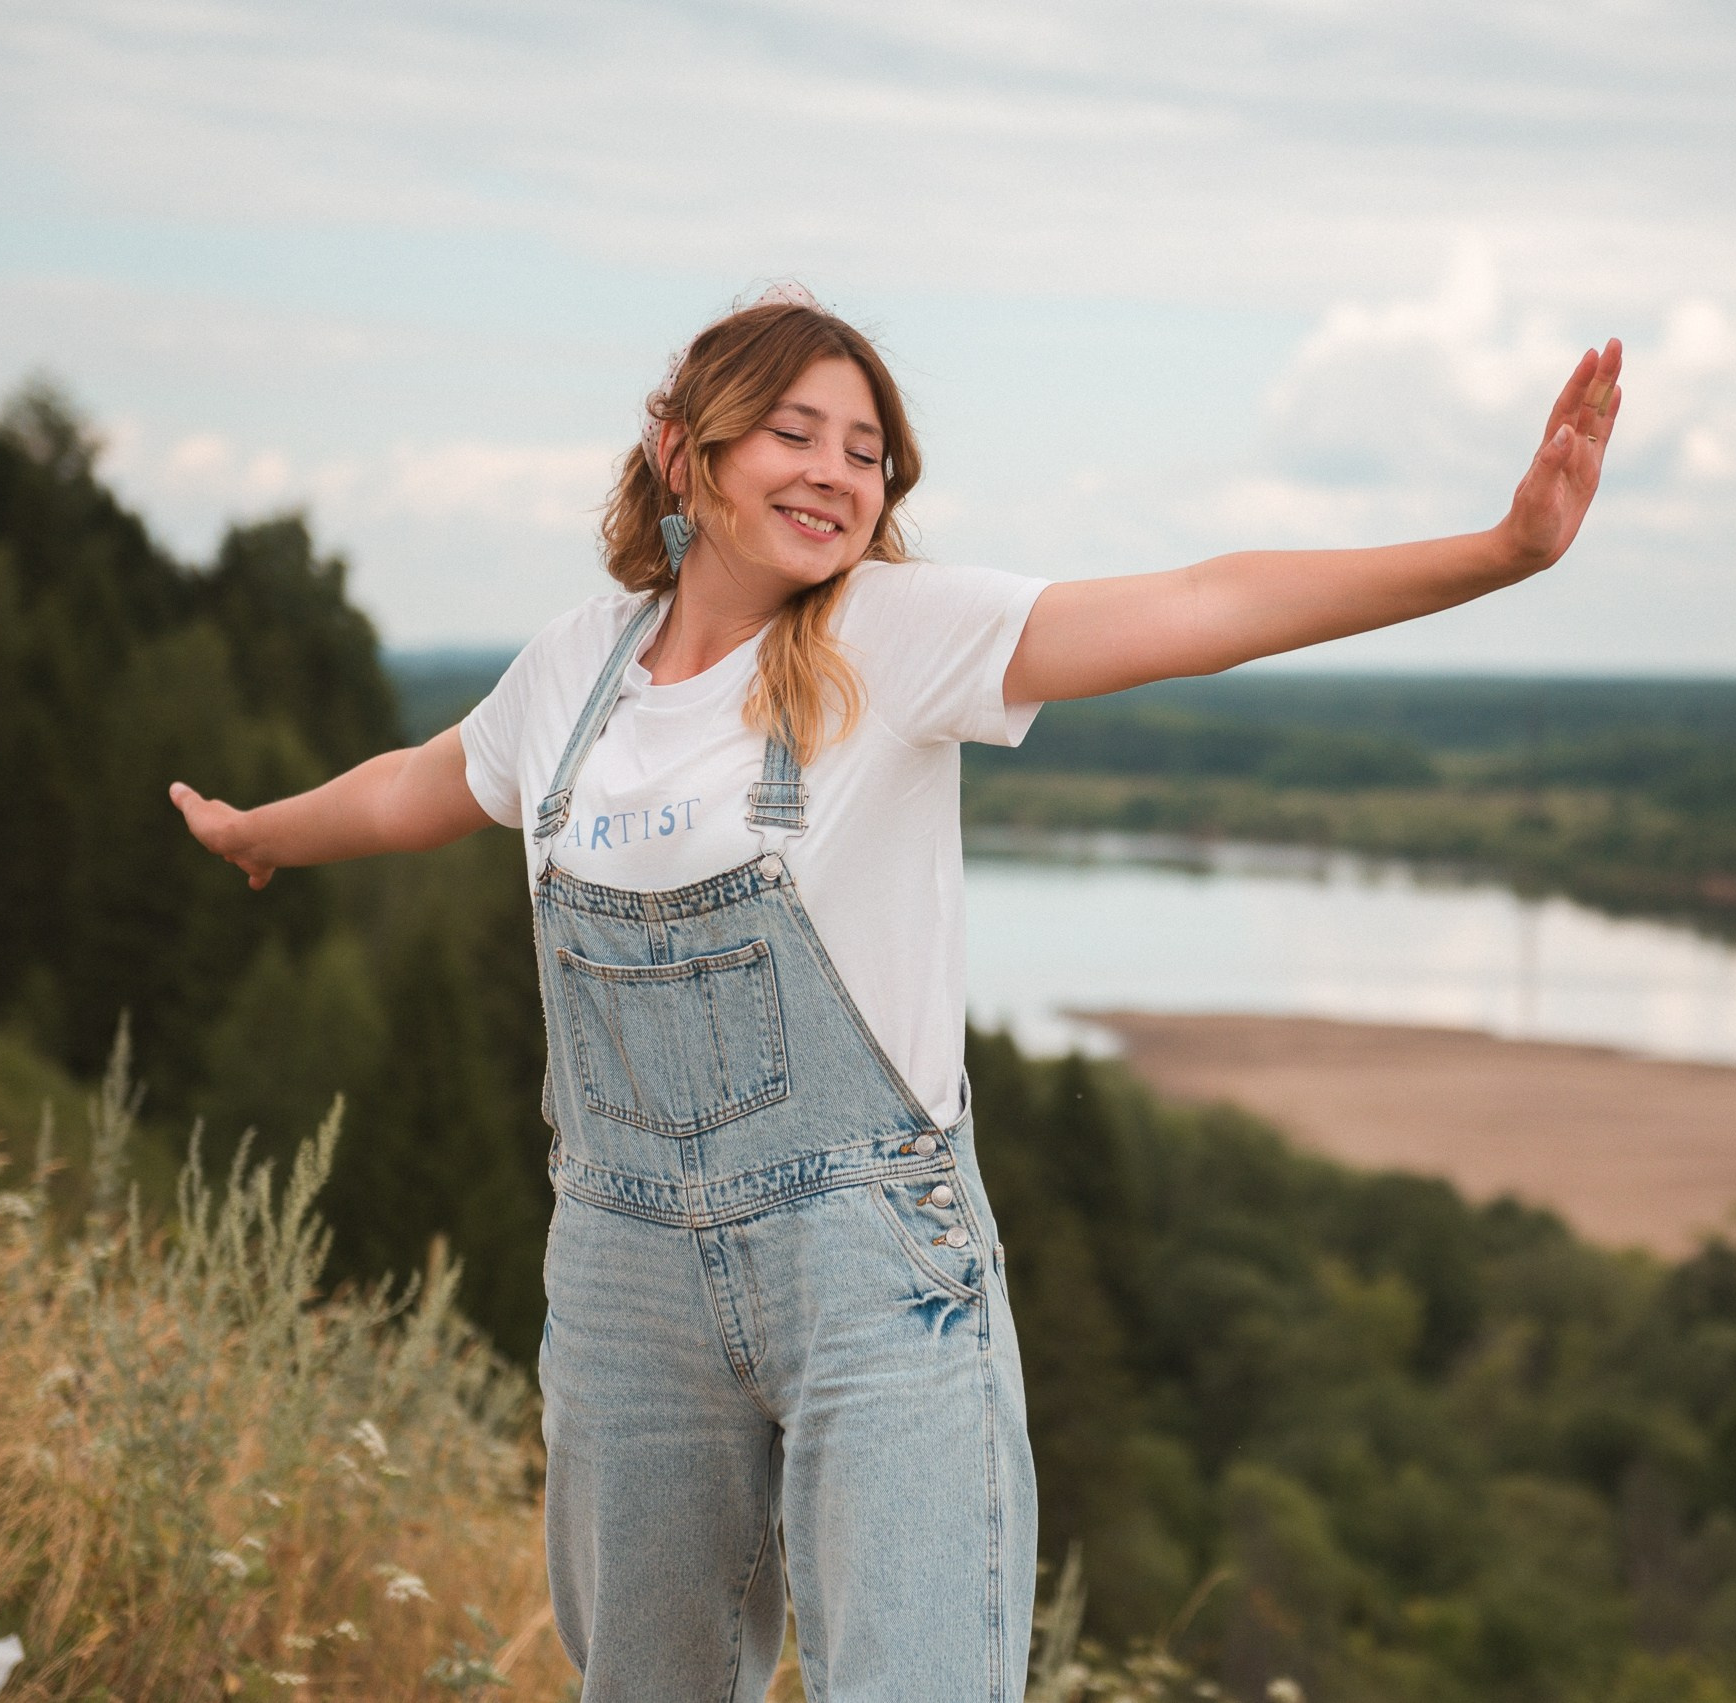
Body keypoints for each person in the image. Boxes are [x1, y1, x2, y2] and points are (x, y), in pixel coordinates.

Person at [171, 289, 1621, 1702]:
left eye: (867, 451)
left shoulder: (895, 636)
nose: (836, 472)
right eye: (794, 432)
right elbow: (419, 786)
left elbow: (1202, 600)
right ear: (684, 450)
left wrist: (1500, 552)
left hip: (873, 1276)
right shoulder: (571, 671)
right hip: (621, 1276)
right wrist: (260, 833)